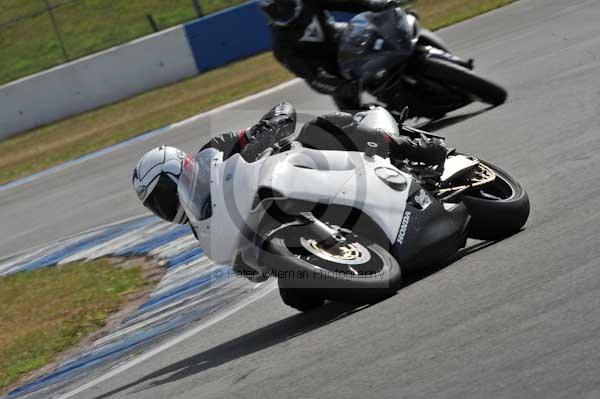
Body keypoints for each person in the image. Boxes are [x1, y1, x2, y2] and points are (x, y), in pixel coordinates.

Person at [132, 102, 445, 226]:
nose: (165, 205)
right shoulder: (205, 225)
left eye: (163, 193)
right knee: (296, 294)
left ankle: (413, 150)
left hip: (296, 163)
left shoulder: (214, 151)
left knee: (321, 129)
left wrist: (264, 133)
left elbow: (283, 111)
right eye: (155, 204)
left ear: (181, 170)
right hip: (287, 208)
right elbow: (248, 270)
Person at [258, 0, 406, 111]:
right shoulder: (281, 47)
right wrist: (340, 87)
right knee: (350, 111)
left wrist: (378, 5)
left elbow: (347, 3)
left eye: (285, 5)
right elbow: (312, 76)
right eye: (276, 10)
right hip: (327, 66)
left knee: (385, 38)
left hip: (342, 38)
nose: (283, 12)